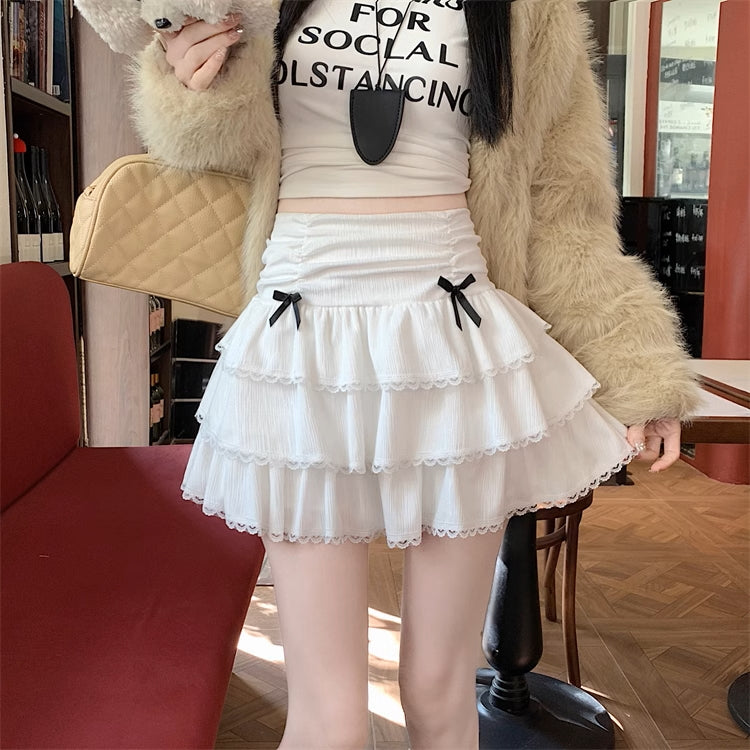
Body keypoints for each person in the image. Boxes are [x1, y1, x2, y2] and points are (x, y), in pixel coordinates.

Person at [105, 1, 701, 747]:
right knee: (329, 720)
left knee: (439, 693)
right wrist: (189, 85)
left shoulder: (529, 13)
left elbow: (563, 209)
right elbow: (204, 149)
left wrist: (636, 366)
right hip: (301, 336)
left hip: (454, 338)